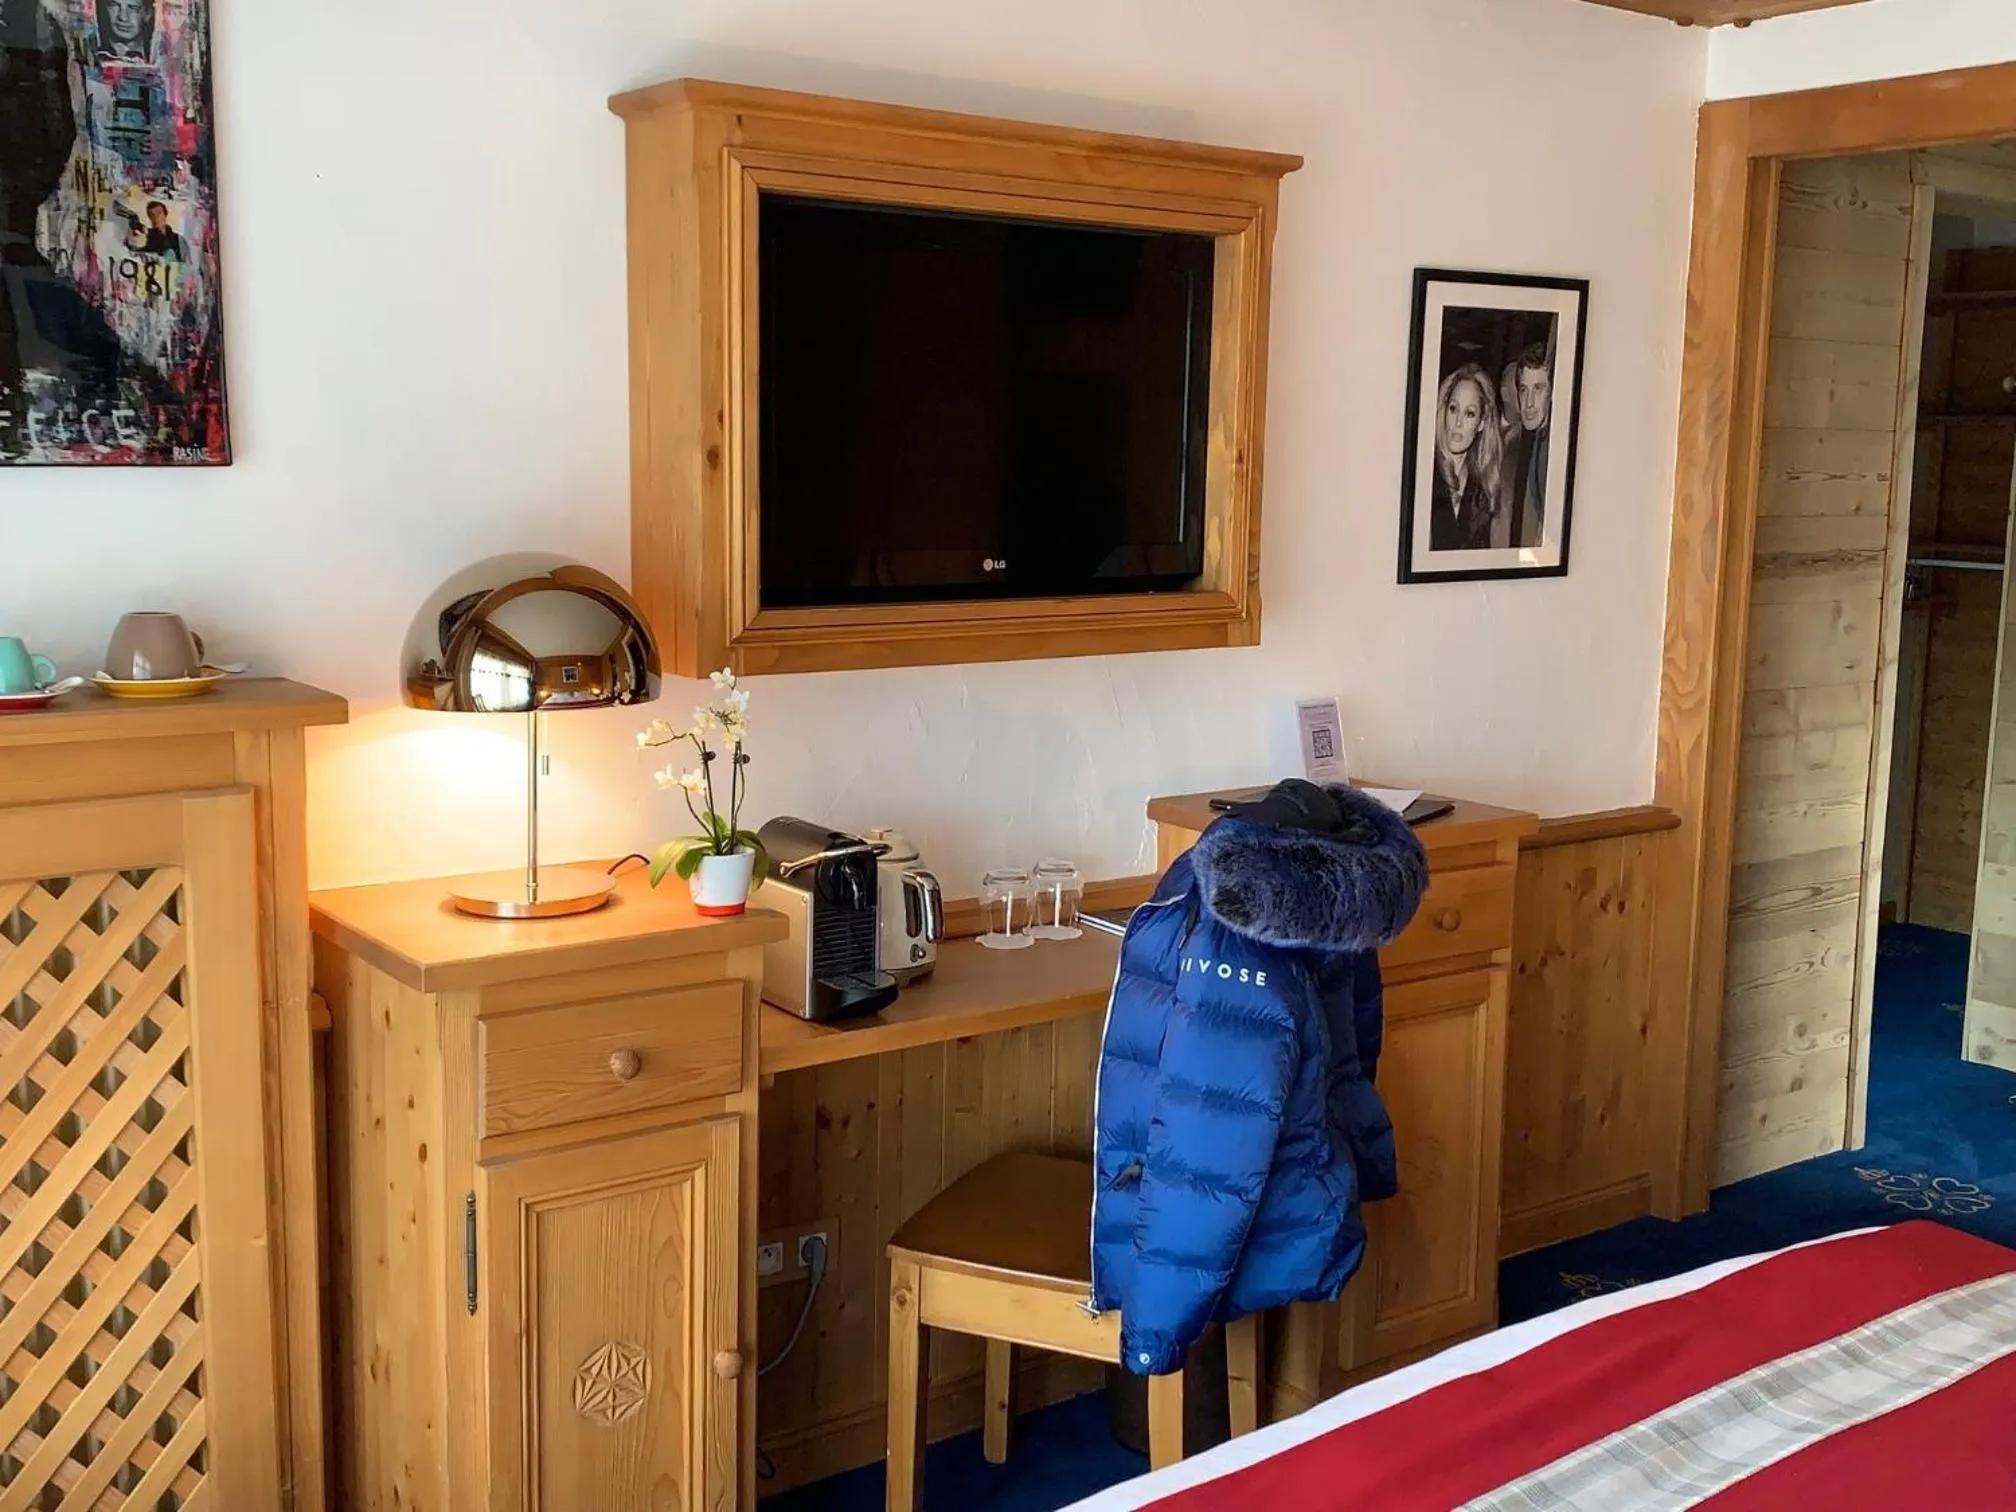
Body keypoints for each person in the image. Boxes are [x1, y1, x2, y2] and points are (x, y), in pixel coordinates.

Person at [1089, 780, 1428, 1374]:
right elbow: (1351, 1068)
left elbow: (1205, 1144)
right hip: (1307, 1192)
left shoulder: (1232, 926)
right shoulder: (1339, 897)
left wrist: (1153, 1332)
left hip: (1236, 1218)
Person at [1427, 363, 1503, 551]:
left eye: (1469, 413)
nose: (1458, 422)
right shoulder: (1425, 475)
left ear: (1481, 423)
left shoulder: (1482, 488)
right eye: (1453, 409)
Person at [1499, 340, 1554, 550]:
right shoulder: (1535, 441)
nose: (1528, 402)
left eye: (1538, 388)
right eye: (1523, 390)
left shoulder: (1552, 448)